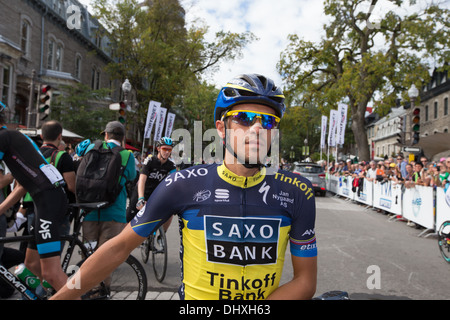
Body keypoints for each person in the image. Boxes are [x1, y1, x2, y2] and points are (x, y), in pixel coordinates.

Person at [52, 73, 317, 300]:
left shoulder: (297, 192)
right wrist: (62, 296)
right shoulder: (184, 184)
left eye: (268, 121)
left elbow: (305, 282)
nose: (258, 128)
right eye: (245, 118)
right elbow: (119, 248)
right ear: (221, 129)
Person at [0, 101, 69, 291]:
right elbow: (21, 186)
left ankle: (69, 292)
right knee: (30, 265)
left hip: (48, 201)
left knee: (51, 273)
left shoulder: (4, 138)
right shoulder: (13, 137)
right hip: (42, 201)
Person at [22, 120, 76, 281]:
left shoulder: (30, 155)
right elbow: (71, 186)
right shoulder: (62, 156)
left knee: (32, 260)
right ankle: (53, 291)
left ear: (41, 136)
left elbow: (21, 184)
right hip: (56, 214)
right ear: (60, 136)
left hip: (32, 209)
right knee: (52, 262)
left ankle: (34, 292)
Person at [81, 121, 136, 254]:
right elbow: (131, 177)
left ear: (106, 135)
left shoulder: (92, 148)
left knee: (88, 257)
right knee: (104, 260)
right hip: (114, 213)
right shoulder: (127, 155)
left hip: (90, 210)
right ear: (123, 137)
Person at [126, 137, 176, 223]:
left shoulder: (171, 165)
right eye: (164, 149)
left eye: (169, 149)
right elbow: (141, 180)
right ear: (158, 148)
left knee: (169, 213)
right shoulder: (150, 161)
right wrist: (141, 198)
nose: (167, 152)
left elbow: (175, 183)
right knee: (129, 218)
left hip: (156, 195)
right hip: (142, 192)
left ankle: (162, 235)